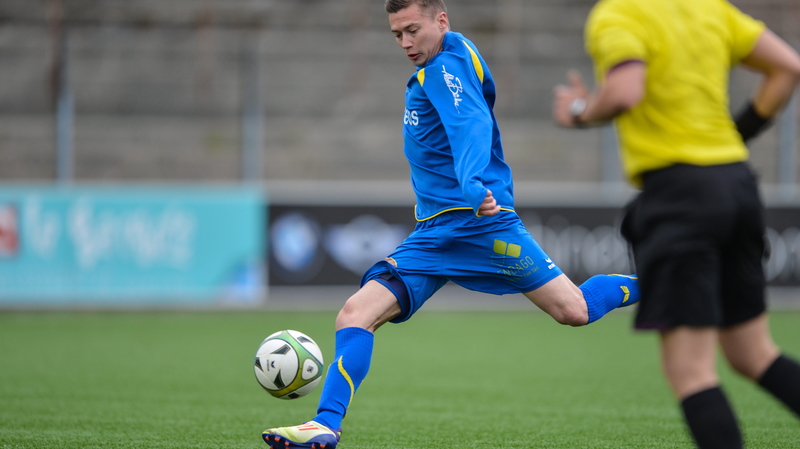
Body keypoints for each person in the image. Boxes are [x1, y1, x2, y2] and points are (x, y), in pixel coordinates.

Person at [261, 1, 640, 448]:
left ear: (441, 20)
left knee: (574, 310)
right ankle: (324, 426)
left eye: (412, 30)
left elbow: (470, 123)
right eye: (397, 34)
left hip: (480, 227)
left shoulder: (444, 69)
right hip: (433, 236)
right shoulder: (454, 54)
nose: (405, 42)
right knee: (355, 313)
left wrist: (472, 182)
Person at [552, 0, 800, 448]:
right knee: (753, 354)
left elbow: (626, 90)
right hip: (737, 182)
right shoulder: (710, 9)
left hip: (681, 194)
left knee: (691, 371)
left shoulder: (619, 14)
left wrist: (579, 111)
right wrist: (736, 134)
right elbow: (787, 68)